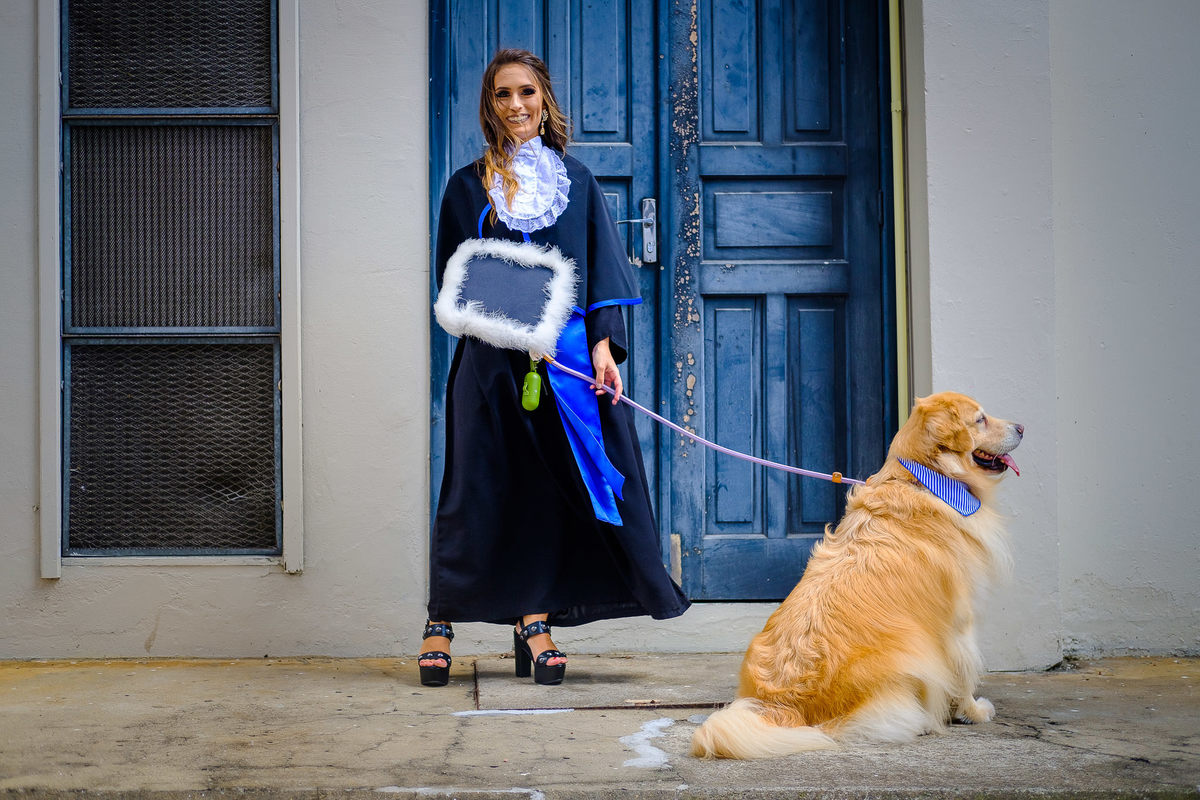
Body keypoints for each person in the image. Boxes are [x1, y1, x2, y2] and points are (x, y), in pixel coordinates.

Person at [419, 49, 689, 687]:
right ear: (490, 105)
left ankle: (532, 620)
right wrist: (524, 324)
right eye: (503, 95)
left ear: (546, 101)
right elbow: (456, 282)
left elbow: (602, 275)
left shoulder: (579, 181)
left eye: (527, 93)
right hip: (488, 369)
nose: (516, 105)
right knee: (476, 489)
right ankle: (441, 618)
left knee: (544, 493)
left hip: (566, 372)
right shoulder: (466, 186)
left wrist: (603, 346)